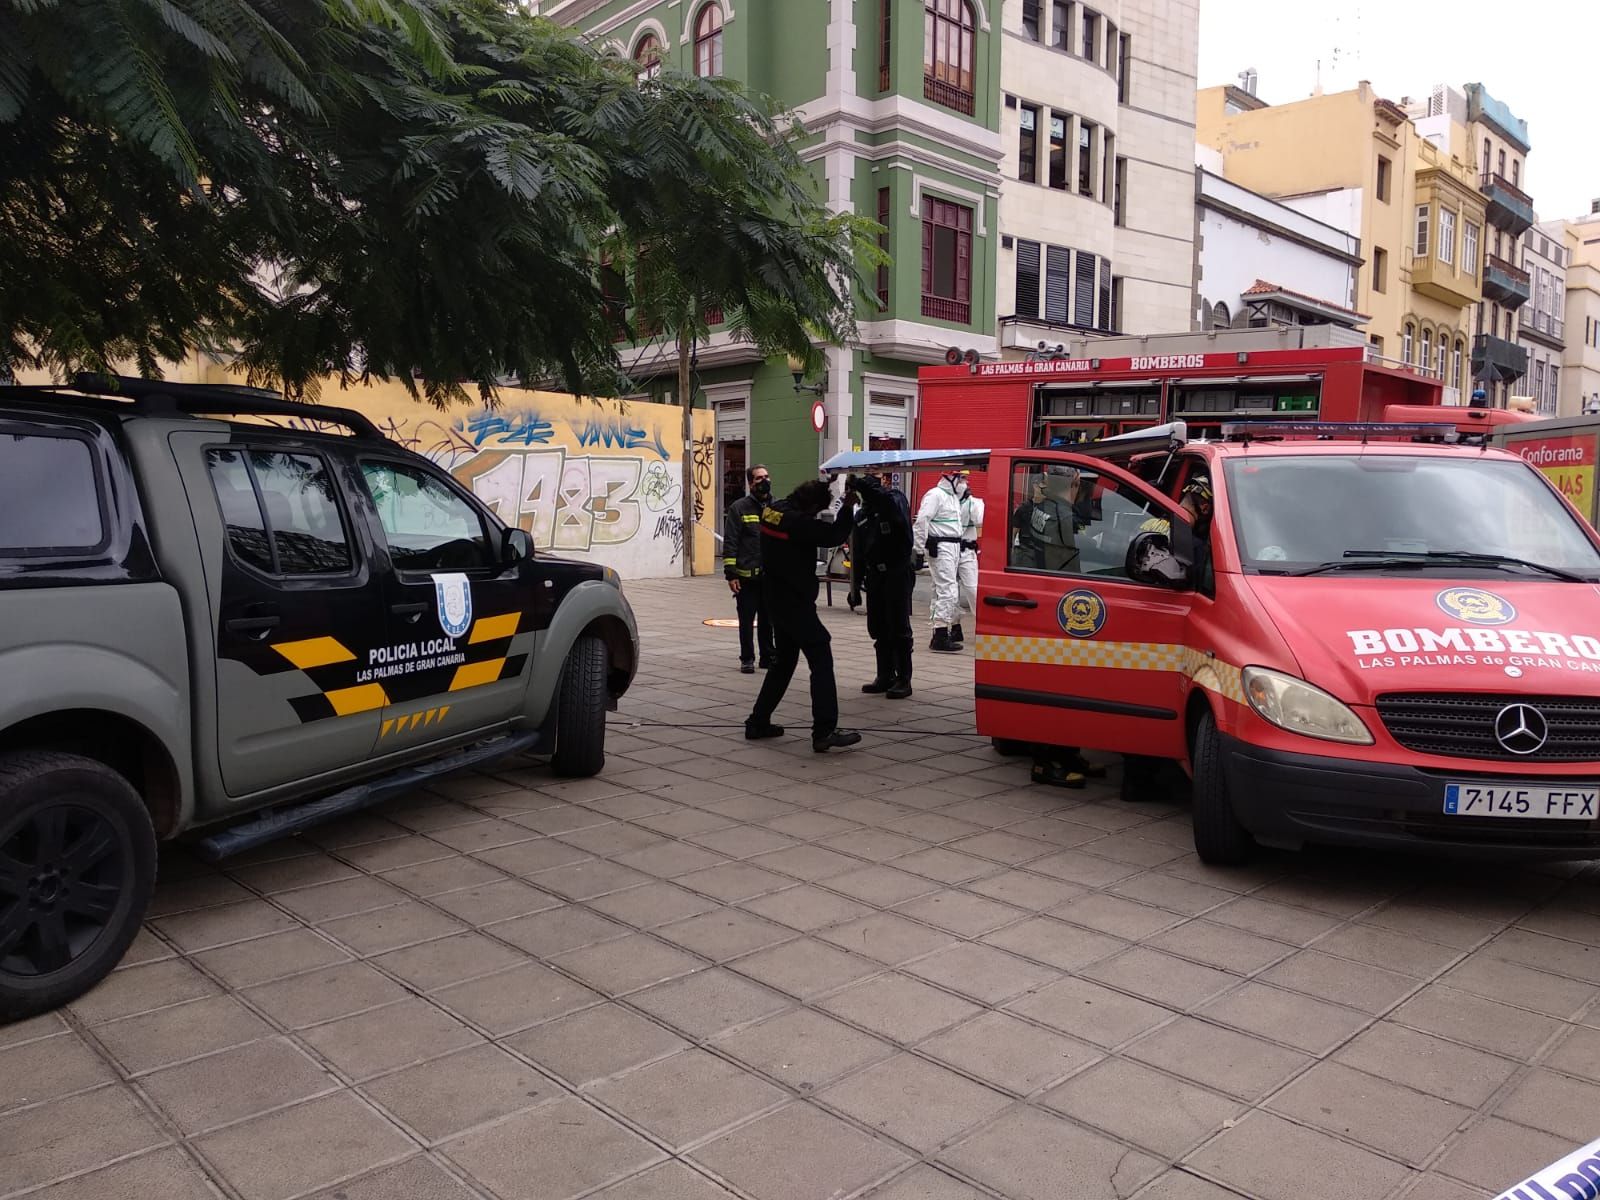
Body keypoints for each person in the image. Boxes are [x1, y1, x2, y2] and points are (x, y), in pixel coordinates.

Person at [745, 477, 863, 753]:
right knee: (820, 654)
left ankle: (758, 721)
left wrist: (827, 482)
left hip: (774, 597)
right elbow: (834, 535)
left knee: (784, 662)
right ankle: (824, 730)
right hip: (795, 601)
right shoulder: (799, 524)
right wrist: (847, 507)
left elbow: (807, 516)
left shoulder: (774, 510)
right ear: (810, 507)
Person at [849, 472, 915, 699]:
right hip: (875, 574)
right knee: (878, 627)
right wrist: (854, 586)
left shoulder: (894, 500)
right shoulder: (863, 514)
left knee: (898, 627)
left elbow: (893, 511)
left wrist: (868, 487)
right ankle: (884, 675)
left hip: (897, 571)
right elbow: (857, 551)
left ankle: (903, 678)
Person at [723, 464, 774, 674]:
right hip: (746, 578)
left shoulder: (775, 507)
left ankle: (768, 656)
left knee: (768, 621)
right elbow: (731, 542)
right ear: (750, 483)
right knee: (746, 621)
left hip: (769, 577)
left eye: (767, 476)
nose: (765, 481)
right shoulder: (739, 508)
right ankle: (747, 659)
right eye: (759, 478)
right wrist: (731, 573)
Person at [914, 469, 967, 652]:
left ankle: (940, 631)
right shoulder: (935, 495)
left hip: (952, 547)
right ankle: (941, 635)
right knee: (947, 590)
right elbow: (922, 521)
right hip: (941, 547)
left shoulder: (952, 497)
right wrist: (918, 549)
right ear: (950, 478)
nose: (964, 482)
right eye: (961, 477)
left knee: (942, 590)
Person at [953, 470, 984, 648]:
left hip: (966, 552)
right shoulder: (944, 500)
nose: (962, 482)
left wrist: (972, 502)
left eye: (964, 478)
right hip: (948, 550)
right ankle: (954, 627)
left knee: (973, 591)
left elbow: (979, 519)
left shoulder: (974, 502)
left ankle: (983, 628)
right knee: (949, 593)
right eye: (959, 478)